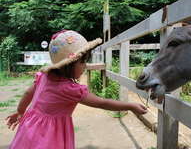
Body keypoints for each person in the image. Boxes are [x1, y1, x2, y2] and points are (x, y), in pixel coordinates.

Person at [6, 30, 148, 149]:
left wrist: (20, 111)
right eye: (83, 62)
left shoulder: (43, 77)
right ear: (68, 64)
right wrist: (130, 106)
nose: (85, 66)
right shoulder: (69, 89)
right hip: (48, 136)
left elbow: (27, 93)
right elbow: (101, 103)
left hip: (28, 128)